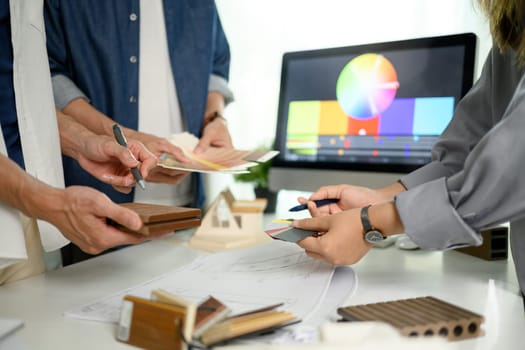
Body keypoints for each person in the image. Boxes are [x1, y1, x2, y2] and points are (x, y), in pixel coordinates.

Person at [292, 0, 525, 299]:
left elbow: (511, 165)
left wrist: (371, 223)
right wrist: (379, 198)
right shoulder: (510, 22)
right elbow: (467, 155)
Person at [44, 0, 235, 264]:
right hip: (102, 202)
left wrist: (215, 118)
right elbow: (46, 75)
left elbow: (216, 65)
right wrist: (120, 137)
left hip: (188, 205)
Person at [0, 0, 169, 284]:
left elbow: (22, 100)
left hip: (17, 216)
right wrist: (50, 203)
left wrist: (86, 142)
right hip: (23, 196)